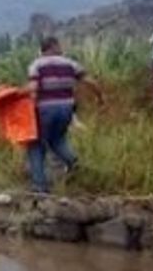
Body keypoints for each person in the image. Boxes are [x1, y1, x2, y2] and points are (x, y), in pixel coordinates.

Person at [26, 36, 103, 193]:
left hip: (45, 109)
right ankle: (74, 164)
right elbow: (90, 81)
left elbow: (33, 89)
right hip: (67, 108)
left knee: (36, 144)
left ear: (43, 49)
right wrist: (100, 97)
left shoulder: (36, 65)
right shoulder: (70, 63)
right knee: (57, 140)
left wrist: (30, 109)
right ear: (54, 46)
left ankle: (40, 187)